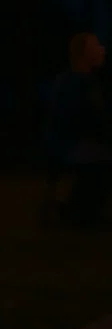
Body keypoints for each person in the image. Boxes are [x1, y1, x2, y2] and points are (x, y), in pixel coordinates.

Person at [45, 32, 112, 225]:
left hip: (67, 145)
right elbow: (89, 121)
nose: (103, 50)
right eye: (96, 46)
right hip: (70, 147)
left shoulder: (74, 81)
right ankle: (81, 210)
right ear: (84, 54)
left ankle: (79, 207)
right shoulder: (80, 83)